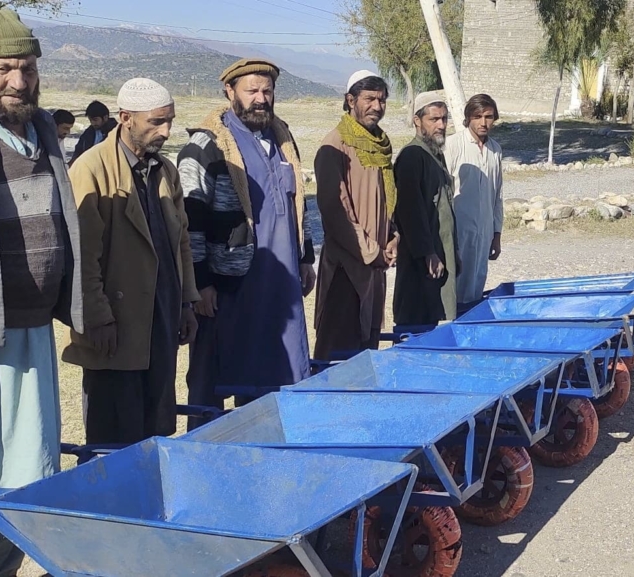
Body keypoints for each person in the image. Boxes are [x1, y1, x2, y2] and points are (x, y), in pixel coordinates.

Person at [0, 9, 83, 576]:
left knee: (24, 471)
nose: (18, 80)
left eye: (28, 68)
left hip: (32, 327)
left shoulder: (41, 133)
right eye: (5, 68)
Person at [177, 58, 315, 426]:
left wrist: (306, 256)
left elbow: (298, 201)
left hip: (280, 287)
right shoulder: (206, 145)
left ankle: (271, 448)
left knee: (279, 378)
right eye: (251, 91)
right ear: (230, 92)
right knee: (214, 380)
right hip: (229, 286)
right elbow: (190, 220)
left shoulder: (283, 138)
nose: (261, 99)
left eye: (267, 91)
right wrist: (200, 282)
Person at [63, 78, 199, 444]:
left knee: (154, 432)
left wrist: (186, 302)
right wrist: (97, 316)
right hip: (115, 327)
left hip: (161, 320)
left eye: (169, 120)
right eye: (156, 122)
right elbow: (82, 256)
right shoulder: (90, 170)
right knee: (113, 438)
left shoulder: (165, 171)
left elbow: (181, 242)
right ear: (125, 118)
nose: (166, 131)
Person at [313, 70, 399, 360]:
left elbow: (386, 202)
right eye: (370, 99)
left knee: (367, 349)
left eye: (382, 99)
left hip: (374, 266)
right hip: (346, 267)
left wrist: (392, 237)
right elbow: (336, 211)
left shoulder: (380, 145)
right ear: (350, 100)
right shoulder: (335, 145)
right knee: (338, 353)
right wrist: (371, 250)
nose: (377, 106)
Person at [393, 91, 458, 328]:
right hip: (423, 260)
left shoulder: (434, 154)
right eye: (433, 119)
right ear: (417, 121)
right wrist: (427, 253)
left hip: (439, 253)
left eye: (443, 119)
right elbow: (410, 211)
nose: (440, 125)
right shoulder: (413, 155)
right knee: (417, 319)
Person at [444, 93, 504, 314]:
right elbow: (444, 192)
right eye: (477, 116)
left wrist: (496, 234)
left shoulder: (495, 150)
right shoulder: (453, 145)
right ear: (468, 117)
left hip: (484, 231)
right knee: (456, 285)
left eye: (488, 116)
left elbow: (497, 195)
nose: (483, 122)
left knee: (477, 281)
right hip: (459, 230)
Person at [69, 99, 117, 165]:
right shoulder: (89, 132)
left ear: (105, 117)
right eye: (90, 120)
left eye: (95, 120)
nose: (92, 123)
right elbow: (79, 150)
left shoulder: (116, 132)